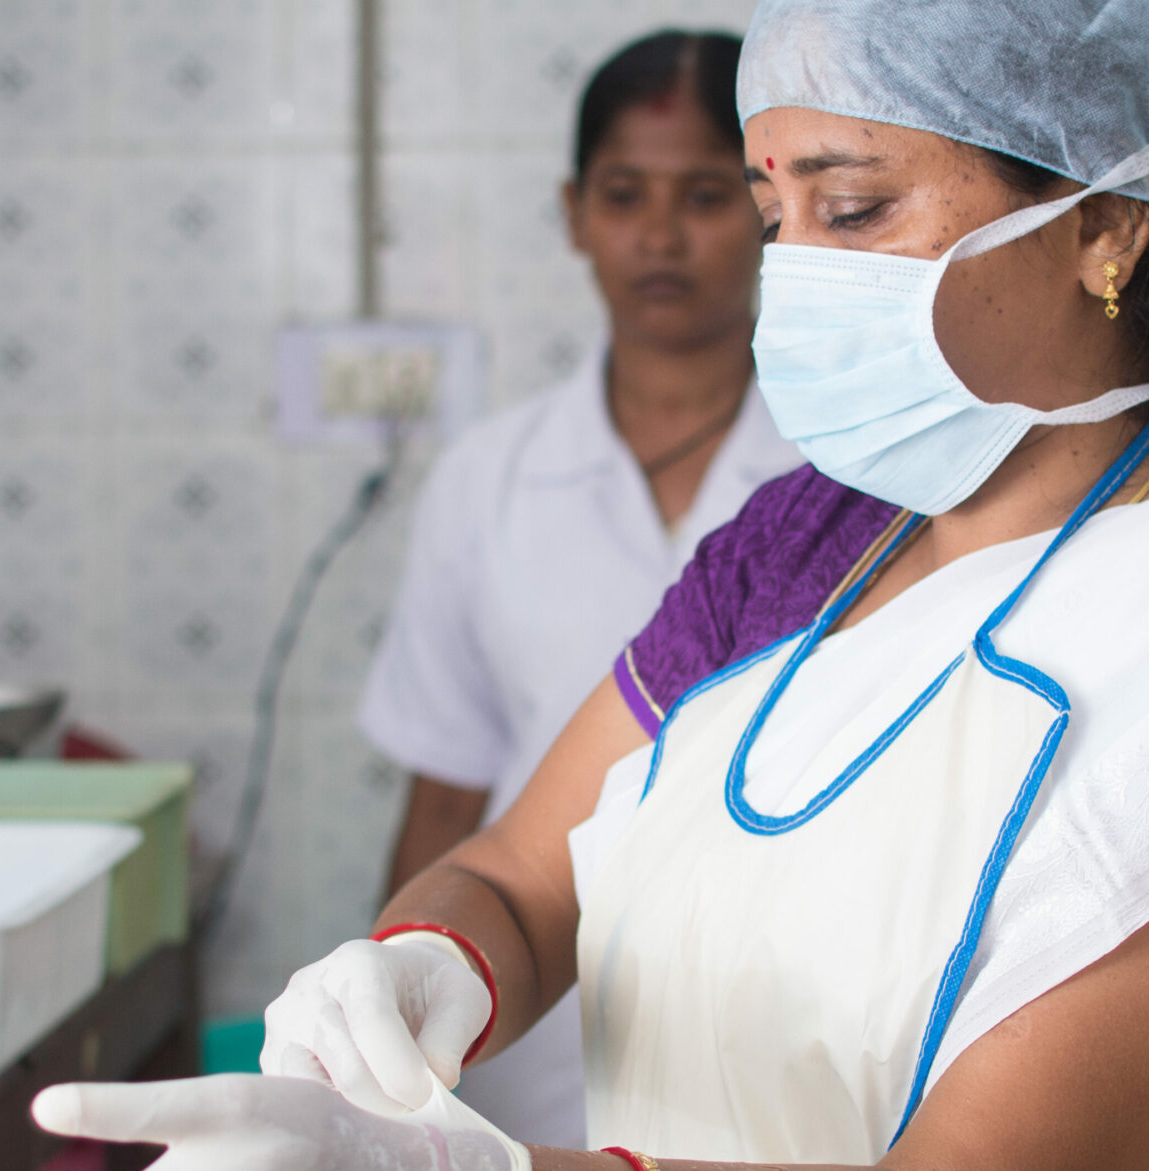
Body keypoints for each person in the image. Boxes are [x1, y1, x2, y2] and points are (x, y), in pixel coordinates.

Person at [34, 1, 1149, 1168]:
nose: (792, 274)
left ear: (1107, 225)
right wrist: (431, 962)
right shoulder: (813, 539)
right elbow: (525, 875)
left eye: (852, 212)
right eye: (775, 213)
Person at [350, 29, 799, 1148]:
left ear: (766, 208)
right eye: (623, 194)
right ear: (572, 213)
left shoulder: (848, 478)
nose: (658, 236)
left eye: (704, 195)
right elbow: (447, 799)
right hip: (521, 1028)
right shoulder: (487, 479)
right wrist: (383, 1022)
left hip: (789, 1011)